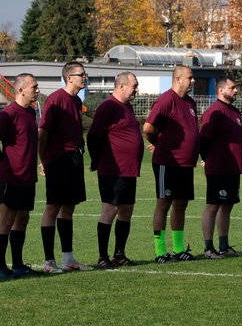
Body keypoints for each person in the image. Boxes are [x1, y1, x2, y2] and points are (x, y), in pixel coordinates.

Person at [0, 73, 41, 279]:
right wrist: (2, 161)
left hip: (28, 175)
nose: (37, 90)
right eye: (34, 87)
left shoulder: (31, 112)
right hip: (11, 177)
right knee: (7, 219)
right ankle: (1, 268)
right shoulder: (8, 114)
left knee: (23, 218)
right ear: (20, 90)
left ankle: (18, 265)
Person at [39, 62, 91, 272]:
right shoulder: (56, 99)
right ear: (69, 77)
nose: (85, 77)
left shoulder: (77, 101)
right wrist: (43, 160)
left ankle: (68, 259)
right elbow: (43, 132)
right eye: (81, 74)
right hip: (58, 159)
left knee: (69, 207)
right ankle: (49, 261)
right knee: (53, 206)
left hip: (75, 159)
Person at [144, 65, 200, 263]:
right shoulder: (167, 99)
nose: (193, 81)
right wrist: (159, 144)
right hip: (167, 162)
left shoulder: (190, 102)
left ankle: (178, 249)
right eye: (190, 78)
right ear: (178, 79)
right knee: (164, 203)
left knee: (181, 205)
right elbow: (148, 127)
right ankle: (160, 251)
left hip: (185, 164)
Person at [87, 72, 142, 269]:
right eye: (134, 85)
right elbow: (93, 137)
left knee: (126, 211)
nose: (137, 89)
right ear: (121, 86)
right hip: (112, 169)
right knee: (110, 210)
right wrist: (98, 160)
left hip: (129, 170)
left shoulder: (126, 107)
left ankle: (119, 254)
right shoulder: (108, 107)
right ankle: (103, 256)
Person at [198, 76, 242, 258]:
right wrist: (208, 159)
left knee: (227, 206)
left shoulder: (235, 112)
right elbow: (204, 140)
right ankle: (209, 248)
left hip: (233, 168)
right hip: (218, 168)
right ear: (221, 90)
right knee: (213, 205)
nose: (236, 90)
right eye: (232, 88)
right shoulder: (214, 111)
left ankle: (224, 245)